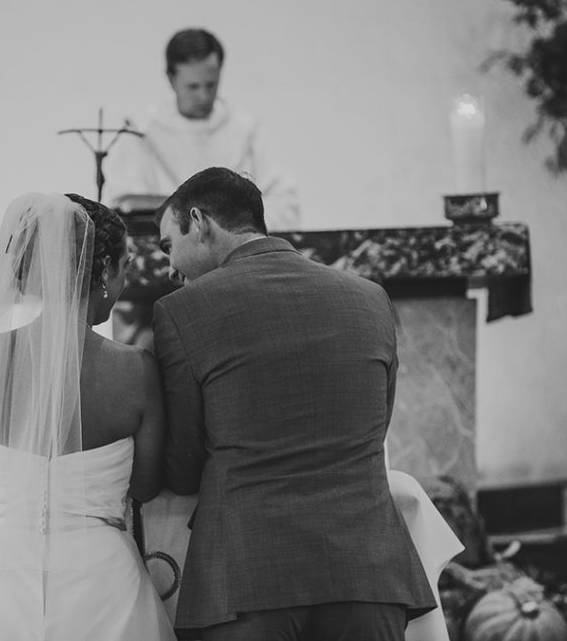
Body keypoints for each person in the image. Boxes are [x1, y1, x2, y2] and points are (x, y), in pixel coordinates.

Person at [152, 167, 436, 640]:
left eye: (168, 246)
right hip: (366, 572)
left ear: (199, 222)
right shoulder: (369, 298)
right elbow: (375, 429)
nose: (169, 268)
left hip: (247, 579)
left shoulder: (181, 311)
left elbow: (183, 465)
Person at [0, 193, 175, 640]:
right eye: (122, 270)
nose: (120, 287)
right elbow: (144, 486)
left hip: (1, 575)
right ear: (102, 272)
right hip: (103, 584)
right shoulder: (135, 370)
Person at [102, 27, 300, 232]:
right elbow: (125, 205)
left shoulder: (245, 132)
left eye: (211, 85)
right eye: (193, 87)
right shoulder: (140, 134)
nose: (204, 97)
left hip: (236, 252)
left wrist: (235, 229)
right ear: (171, 79)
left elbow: (284, 203)